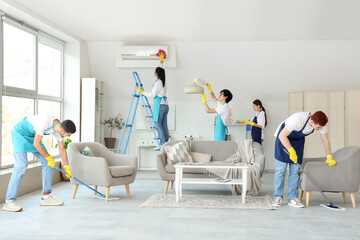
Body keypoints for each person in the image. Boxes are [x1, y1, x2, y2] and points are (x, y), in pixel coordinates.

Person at [2, 115, 76, 212]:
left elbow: (62, 149)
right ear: (62, 131)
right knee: (21, 165)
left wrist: (67, 167)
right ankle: (9, 201)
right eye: (69, 134)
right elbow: (36, 144)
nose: (69, 136)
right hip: (19, 134)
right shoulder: (44, 123)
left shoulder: (58, 129)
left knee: (47, 163)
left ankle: (46, 197)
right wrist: (49, 157)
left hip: (32, 136)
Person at [272, 111, 336, 208]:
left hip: (297, 143)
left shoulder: (321, 123)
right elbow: (282, 135)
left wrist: (329, 157)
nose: (320, 129)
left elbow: (325, 140)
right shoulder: (297, 119)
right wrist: (291, 151)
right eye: (318, 127)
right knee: (281, 170)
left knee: (295, 171)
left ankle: (293, 198)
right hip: (283, 139)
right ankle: (277, 197)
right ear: (311, 122)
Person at [136, 67, 169, 147]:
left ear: (156, 73)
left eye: (155, 71)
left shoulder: (158, 82)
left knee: (157, 124)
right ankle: (166, 142)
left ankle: (162, 143)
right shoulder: (164, 82)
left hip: (160, 105)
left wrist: (142, 92)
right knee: (163, 124)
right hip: (165, 105)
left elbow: (153, 94)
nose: (154, 72)